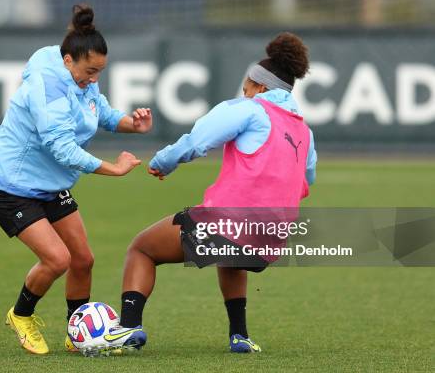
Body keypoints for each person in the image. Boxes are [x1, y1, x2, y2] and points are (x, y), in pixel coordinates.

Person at [105, 32, 317, 353]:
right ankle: (240, 336)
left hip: (226, 225)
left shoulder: (249, 110)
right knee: (231, 257)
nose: (244, 94)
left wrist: (164, 162)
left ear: (261, 87)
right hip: (271, 238)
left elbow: (197, 141)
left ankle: (128, 328)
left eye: (247, 89)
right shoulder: (304, 131)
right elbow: (306, 179)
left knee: (142, 249)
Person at [0, 4, 152, 355]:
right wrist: (113, 168)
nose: (93, 79)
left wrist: (130, 123)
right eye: (89, 71)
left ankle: (77, 336)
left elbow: (99, 112)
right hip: (11, 187)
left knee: (83, 259)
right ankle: (21, 315)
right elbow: (62, 149)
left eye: (98, 73)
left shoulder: (81, 78)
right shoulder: (48, 88)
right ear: (68, 60)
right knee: (58, 260)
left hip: (50, 185)